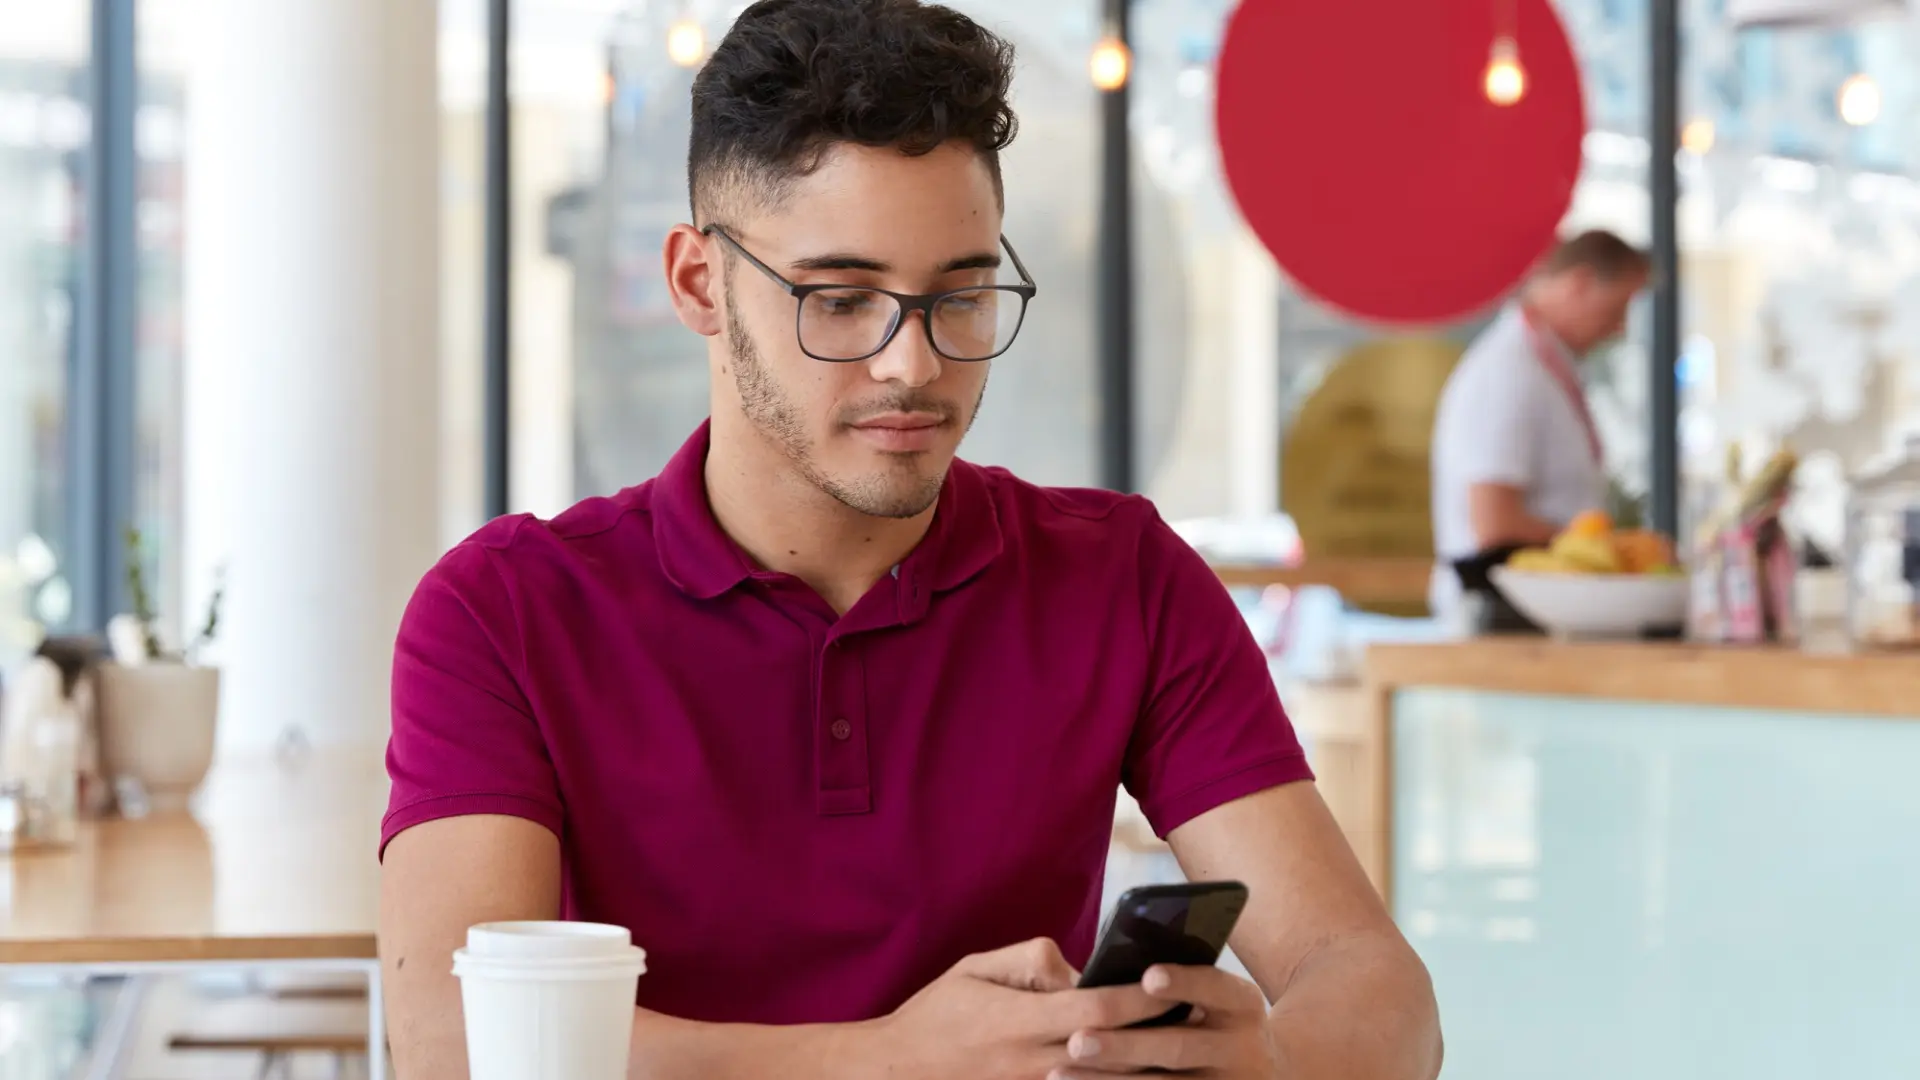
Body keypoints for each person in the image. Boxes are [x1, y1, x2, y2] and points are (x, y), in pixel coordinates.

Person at [378, 2, 1440, 1078]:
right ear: (700, 283)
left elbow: (1377, 989)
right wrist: (886, 1062)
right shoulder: (501, 612)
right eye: (840, 301)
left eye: (960, 297)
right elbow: (453, 1051)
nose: (912, 366)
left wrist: (1264, 1059)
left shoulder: (1123, 576)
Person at [1428, 229, 1651, 613]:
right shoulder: (1509, 373)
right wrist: (1607, 550)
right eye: (1617, 308)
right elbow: (1495, 523)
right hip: (1503, 617)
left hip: (1537, 611)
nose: (1619, 328)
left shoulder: (1541, 367)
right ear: (1579, 284)